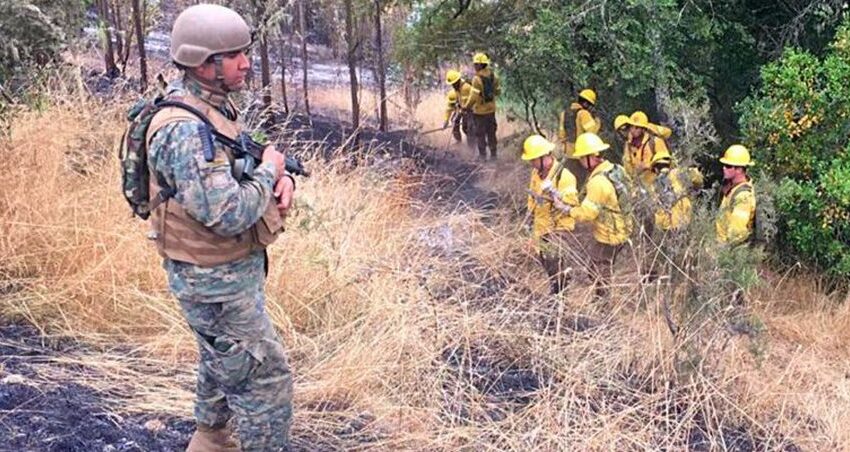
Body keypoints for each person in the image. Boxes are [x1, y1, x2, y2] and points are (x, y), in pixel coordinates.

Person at [146, 5, 293, 450]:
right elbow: (226, 211)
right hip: (212, 281)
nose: (246, 63)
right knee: (265, 382)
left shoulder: (210, 108)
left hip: (225, 273)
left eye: (245, 53)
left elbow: (234, 162)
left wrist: (277, 176)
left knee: (220, 359)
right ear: (201, 63)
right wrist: (270, 172)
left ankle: (210, 441)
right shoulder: (184, 129)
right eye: (234, 56)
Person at [554, 133, 633, 298]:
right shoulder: (616, 169)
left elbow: (587, 214)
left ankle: (603, 304)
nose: (581, 162)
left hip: (609, 234)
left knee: (598, 269)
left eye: (582, 158)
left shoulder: (597, 182)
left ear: (590, 157)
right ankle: (602, 299)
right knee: (597, 267)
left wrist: (565, 209)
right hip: (624, 227)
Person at [522, 135, 581, 294]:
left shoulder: (564, 176)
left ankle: (560, 297)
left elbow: (571, 205)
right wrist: (528, 220)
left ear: (544, 157)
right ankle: (556, 291)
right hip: (542, 227)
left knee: (555, 262)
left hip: (559, 228)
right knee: (546, 262)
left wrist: (554, 193)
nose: (531, 163)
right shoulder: (536, 173)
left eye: (533, 159)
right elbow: (532, 198)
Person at [716, 145, 757, 245]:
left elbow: (737, 233)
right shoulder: (732, 188)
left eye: (728, 166)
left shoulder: (743, 196)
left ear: (739, 169)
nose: (724, 168)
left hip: (729, 252)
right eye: (724, 165)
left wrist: (723, 252)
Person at [464, 52, 501, 160]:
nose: (474, 66)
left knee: (480, 134)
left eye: (476, 64)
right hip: (491, 110)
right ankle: (494, 155)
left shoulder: (476, 79)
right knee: (491, 133)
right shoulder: (494, 76)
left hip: (480, 112)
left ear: (480, 65)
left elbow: (473, 96)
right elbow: (498, 92)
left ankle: (482, 156)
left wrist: (466, 107)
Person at [623, 111, 672, 188]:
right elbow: (629, 171)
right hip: (646, 189)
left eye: (637, 127)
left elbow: (666, 163)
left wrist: (647, 166)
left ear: (643, 129)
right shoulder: (629, 147)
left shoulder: (655, 141)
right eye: (632, 126)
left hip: (661, 184)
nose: (634, 130)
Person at [443, 69, 475, 146]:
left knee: (469, 128)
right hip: (464, 111)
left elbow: (472, 101)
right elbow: (449, 108)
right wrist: (446, 120)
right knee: (462, 126)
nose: (453, 85)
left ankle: (473, 147)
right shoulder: (456, 91)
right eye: (452, 84)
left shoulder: (466, 88)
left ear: (458, 81)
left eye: (454, 83)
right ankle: (460, 141)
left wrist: (464, 109)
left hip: (473, 111)